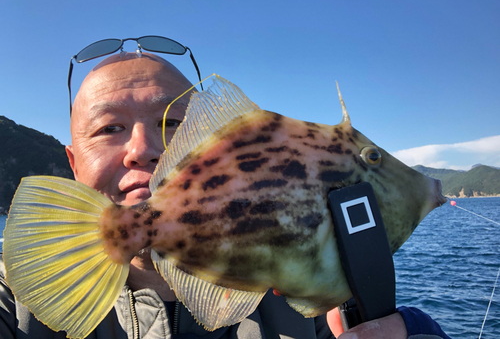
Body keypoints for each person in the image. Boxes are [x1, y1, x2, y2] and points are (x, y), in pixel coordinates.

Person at [0, 49, 450, 338]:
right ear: (73, 163)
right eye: (109, 128)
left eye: (172, 124)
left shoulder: (330, 311)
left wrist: (412, 330)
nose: (142, 150)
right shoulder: (13, 296)